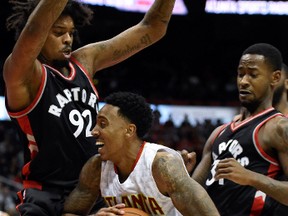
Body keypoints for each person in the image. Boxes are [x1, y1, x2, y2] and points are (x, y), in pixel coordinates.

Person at [2, 0, 177, 215]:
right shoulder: (23, 75)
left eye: (71, 32)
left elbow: (152, 28)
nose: (68, 39)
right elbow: (33, 29)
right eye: (58, 32)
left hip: (95, 188)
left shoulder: (84, 61)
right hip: (47, 195)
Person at [61, 91, 220, 216]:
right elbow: (70, 213)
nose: (94, 131)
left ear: (129, 130)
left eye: (102, 124)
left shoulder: (162, 165)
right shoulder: (96, 168)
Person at [189, 43, 288, 216]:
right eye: (240, 74)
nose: (243, 81)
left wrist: (251, 177)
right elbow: (192, 194)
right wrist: (182, 175)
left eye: (253, 75)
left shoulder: (279, 128)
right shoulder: (218, 133)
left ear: (275, 78)